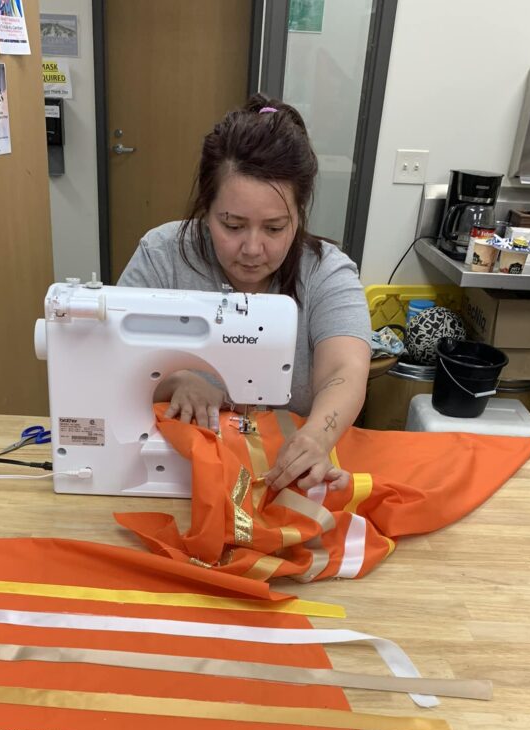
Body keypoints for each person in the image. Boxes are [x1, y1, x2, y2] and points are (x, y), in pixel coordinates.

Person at [117, 94, 372, 493]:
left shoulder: (326, 272)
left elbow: (345, 371)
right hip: (173, 478)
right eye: (232, 225)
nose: (253, 249)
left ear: (300, 215)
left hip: (282, 479)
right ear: (206, 208)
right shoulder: (162, 257)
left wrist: (316, 439)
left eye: (274, 228)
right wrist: (175, 379)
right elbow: (114, 358)